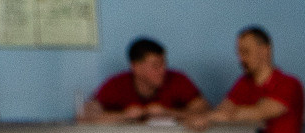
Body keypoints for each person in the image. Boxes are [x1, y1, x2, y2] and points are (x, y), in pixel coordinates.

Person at [79, 37, 210, 123]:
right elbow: (84, 118)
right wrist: (125, 116)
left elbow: (205, 110)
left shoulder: (177, 80)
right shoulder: (117, 85)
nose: (162, 70)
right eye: (155, 66)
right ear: (135, 67)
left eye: (164, 64)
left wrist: (169, 113)